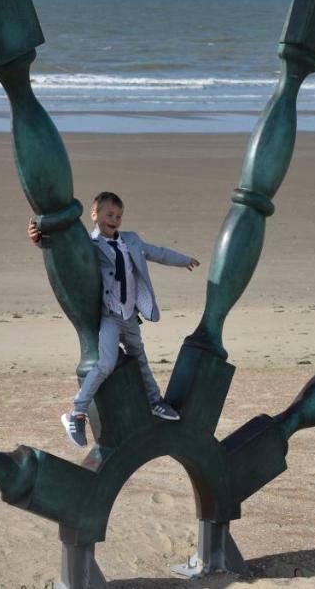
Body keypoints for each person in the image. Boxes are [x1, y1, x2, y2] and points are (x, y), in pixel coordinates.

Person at [28, 191, 200, 447]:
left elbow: (157, 252)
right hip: (110, 316)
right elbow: (67, 256)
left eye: (119, 216)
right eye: (109, 214)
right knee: (105, 363)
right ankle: (76, 412)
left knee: (139, 356)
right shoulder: (90, 245)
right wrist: (41, 241)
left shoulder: (131, 240)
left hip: (130, 314)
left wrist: (183, 260)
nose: (115, 219)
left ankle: (155, 402)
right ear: (94, 215)